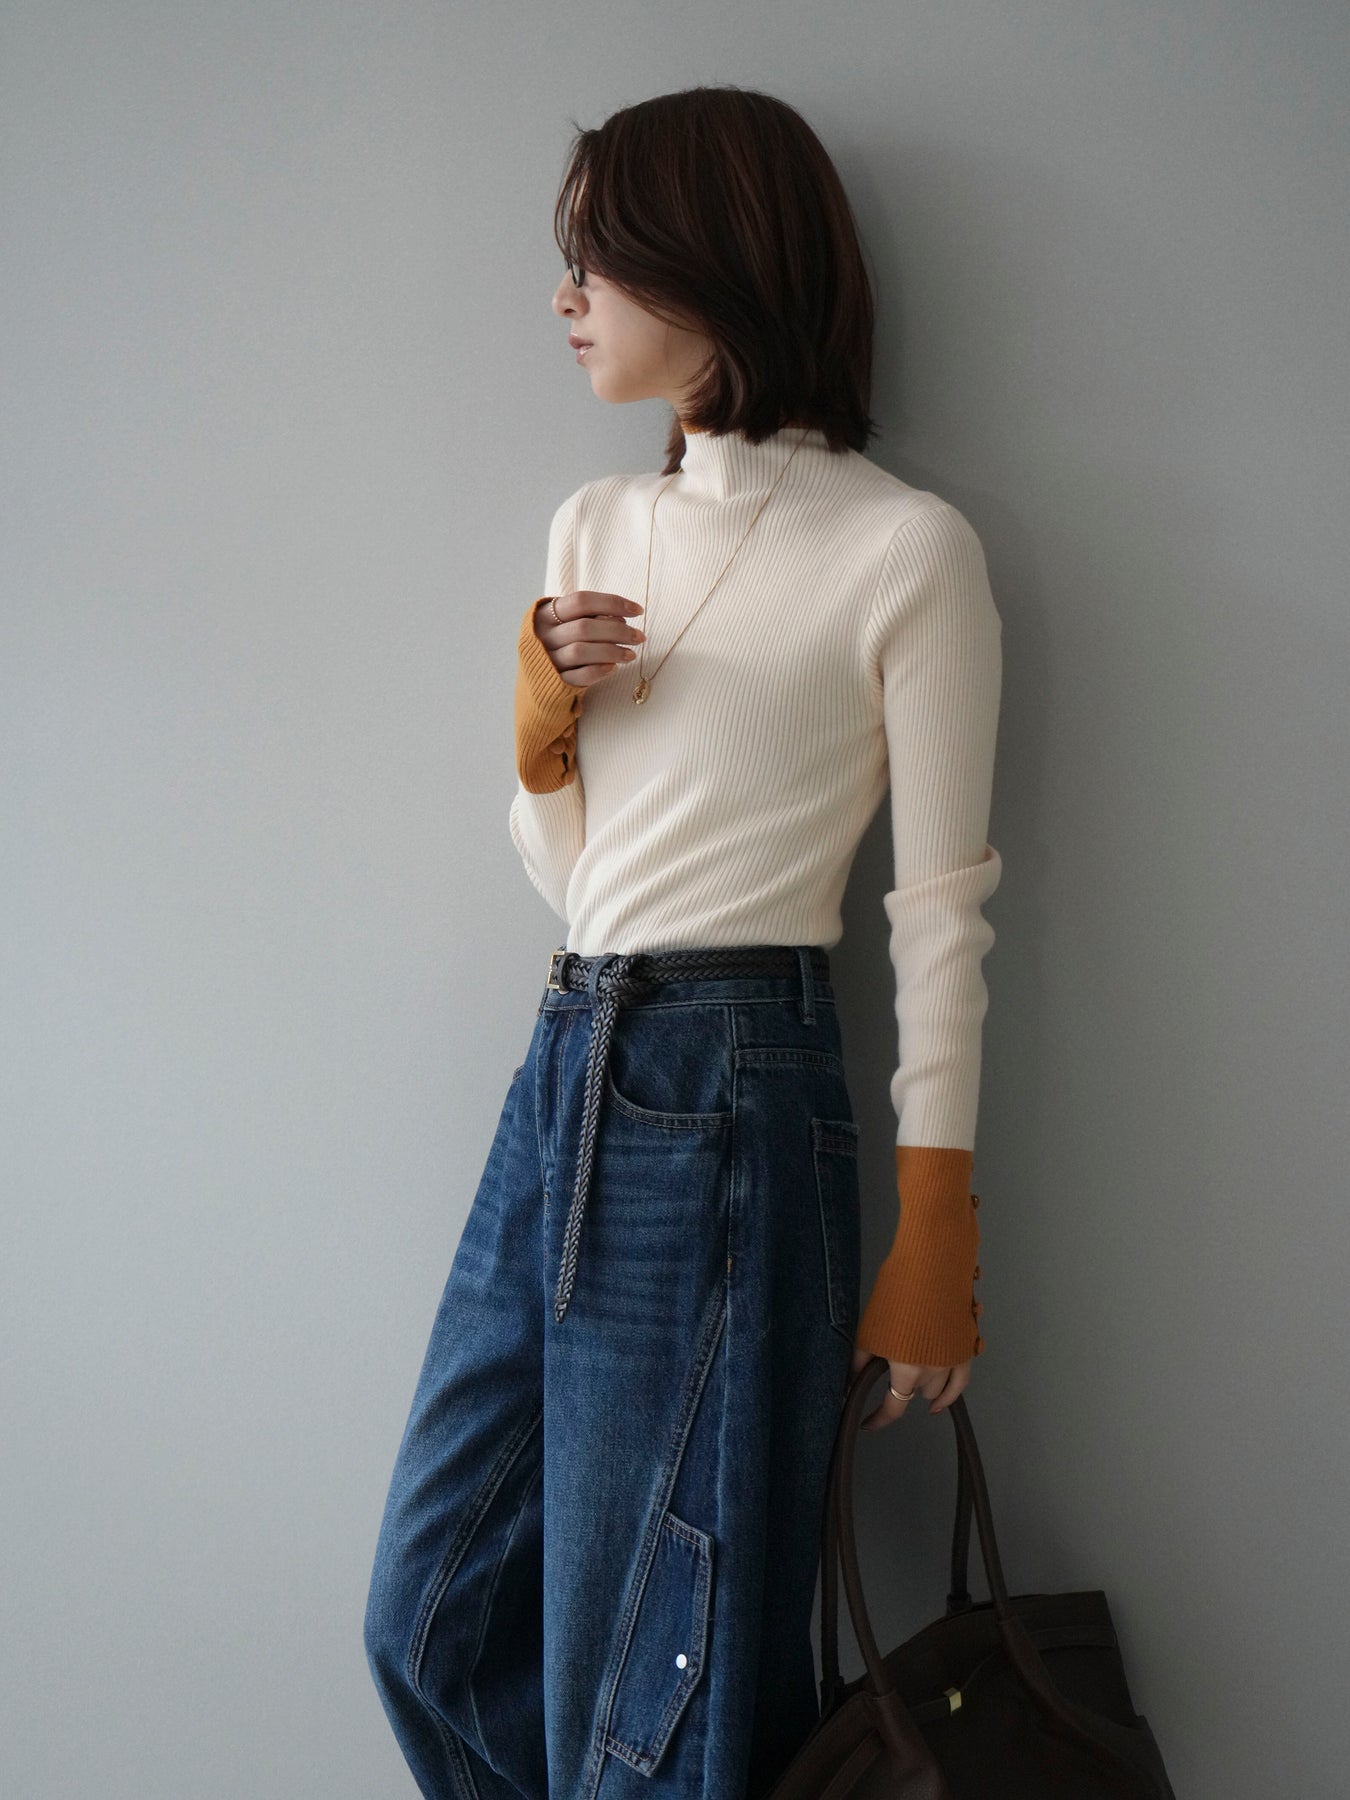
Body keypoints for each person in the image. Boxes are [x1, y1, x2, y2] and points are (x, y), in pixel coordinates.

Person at [364, 83, 1003, 1800]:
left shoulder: (903, 550)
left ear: (711, 265)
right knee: (429, 1616)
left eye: (597, 259)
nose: (564, 297)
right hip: (571, 1055)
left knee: (659, 1674)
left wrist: (936, 1225)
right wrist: (539, 726)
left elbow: (938, 913)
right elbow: (580, 881)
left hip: (734, 1081)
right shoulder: (592, 530)